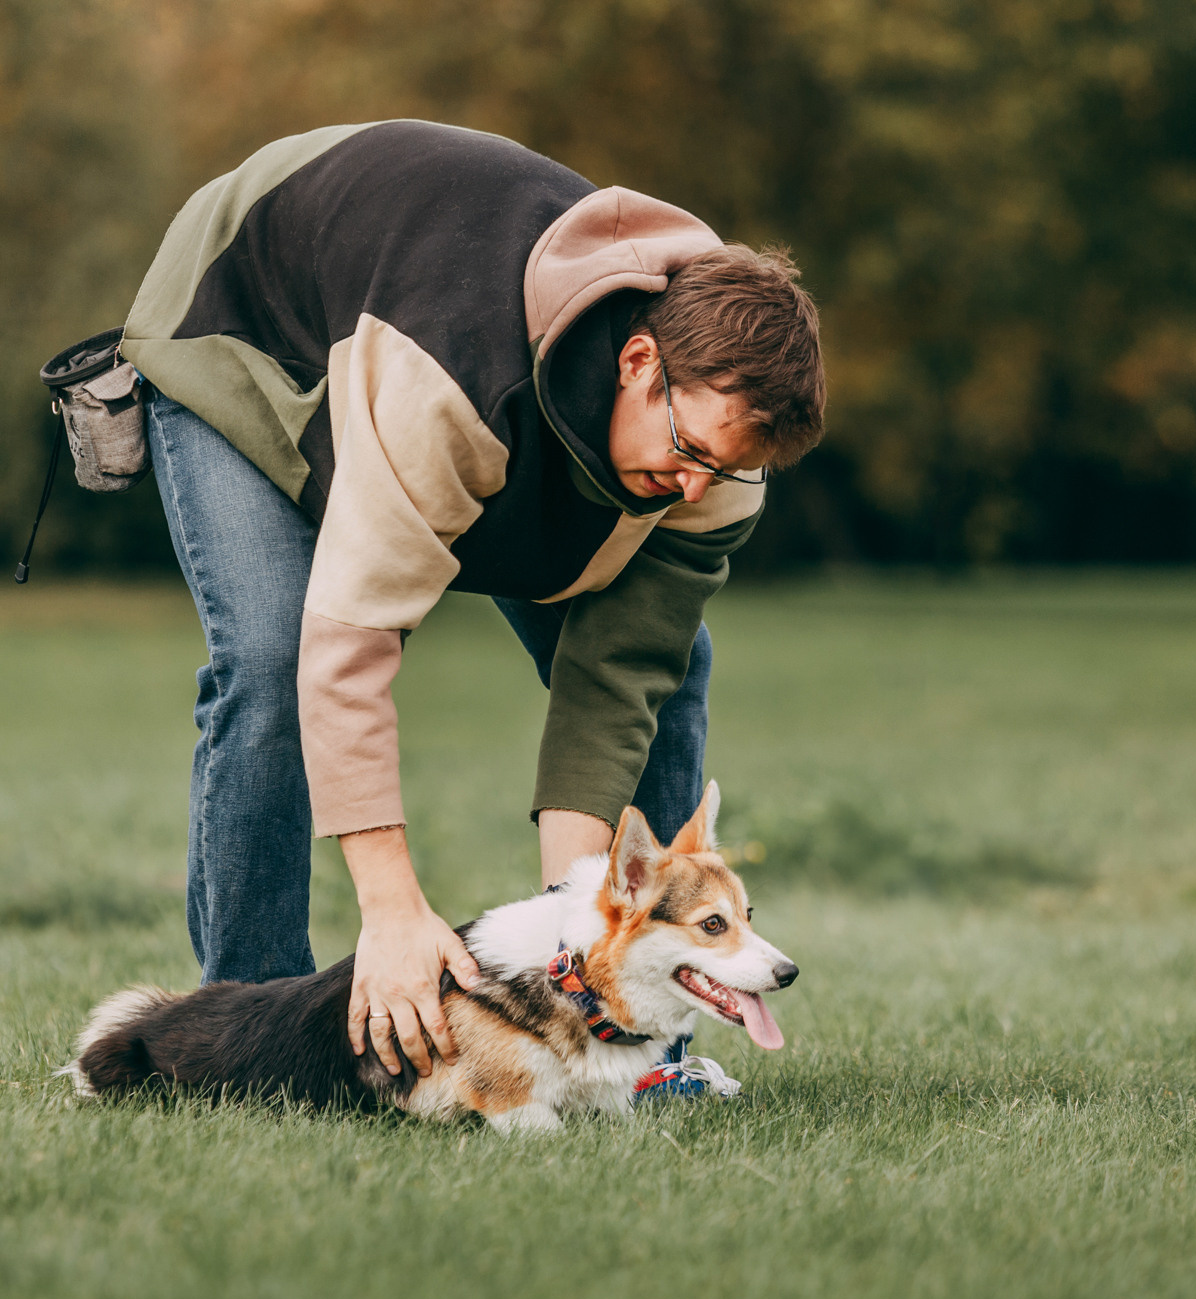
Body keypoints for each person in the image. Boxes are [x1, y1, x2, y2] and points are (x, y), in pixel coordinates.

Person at [121, 120, 824, 1098]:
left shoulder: (718, 452)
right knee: (278, 657)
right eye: (692, 452)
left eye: (728, 469)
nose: (699, 490)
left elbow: (615, 680)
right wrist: (394, 914)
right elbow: (349, 646)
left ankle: (641, 1059)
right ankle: (245, 1040)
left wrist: (580, 962)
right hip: (251, 324)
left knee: (678, 667)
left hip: (466, 403)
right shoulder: (450, 374)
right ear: (635, 365)